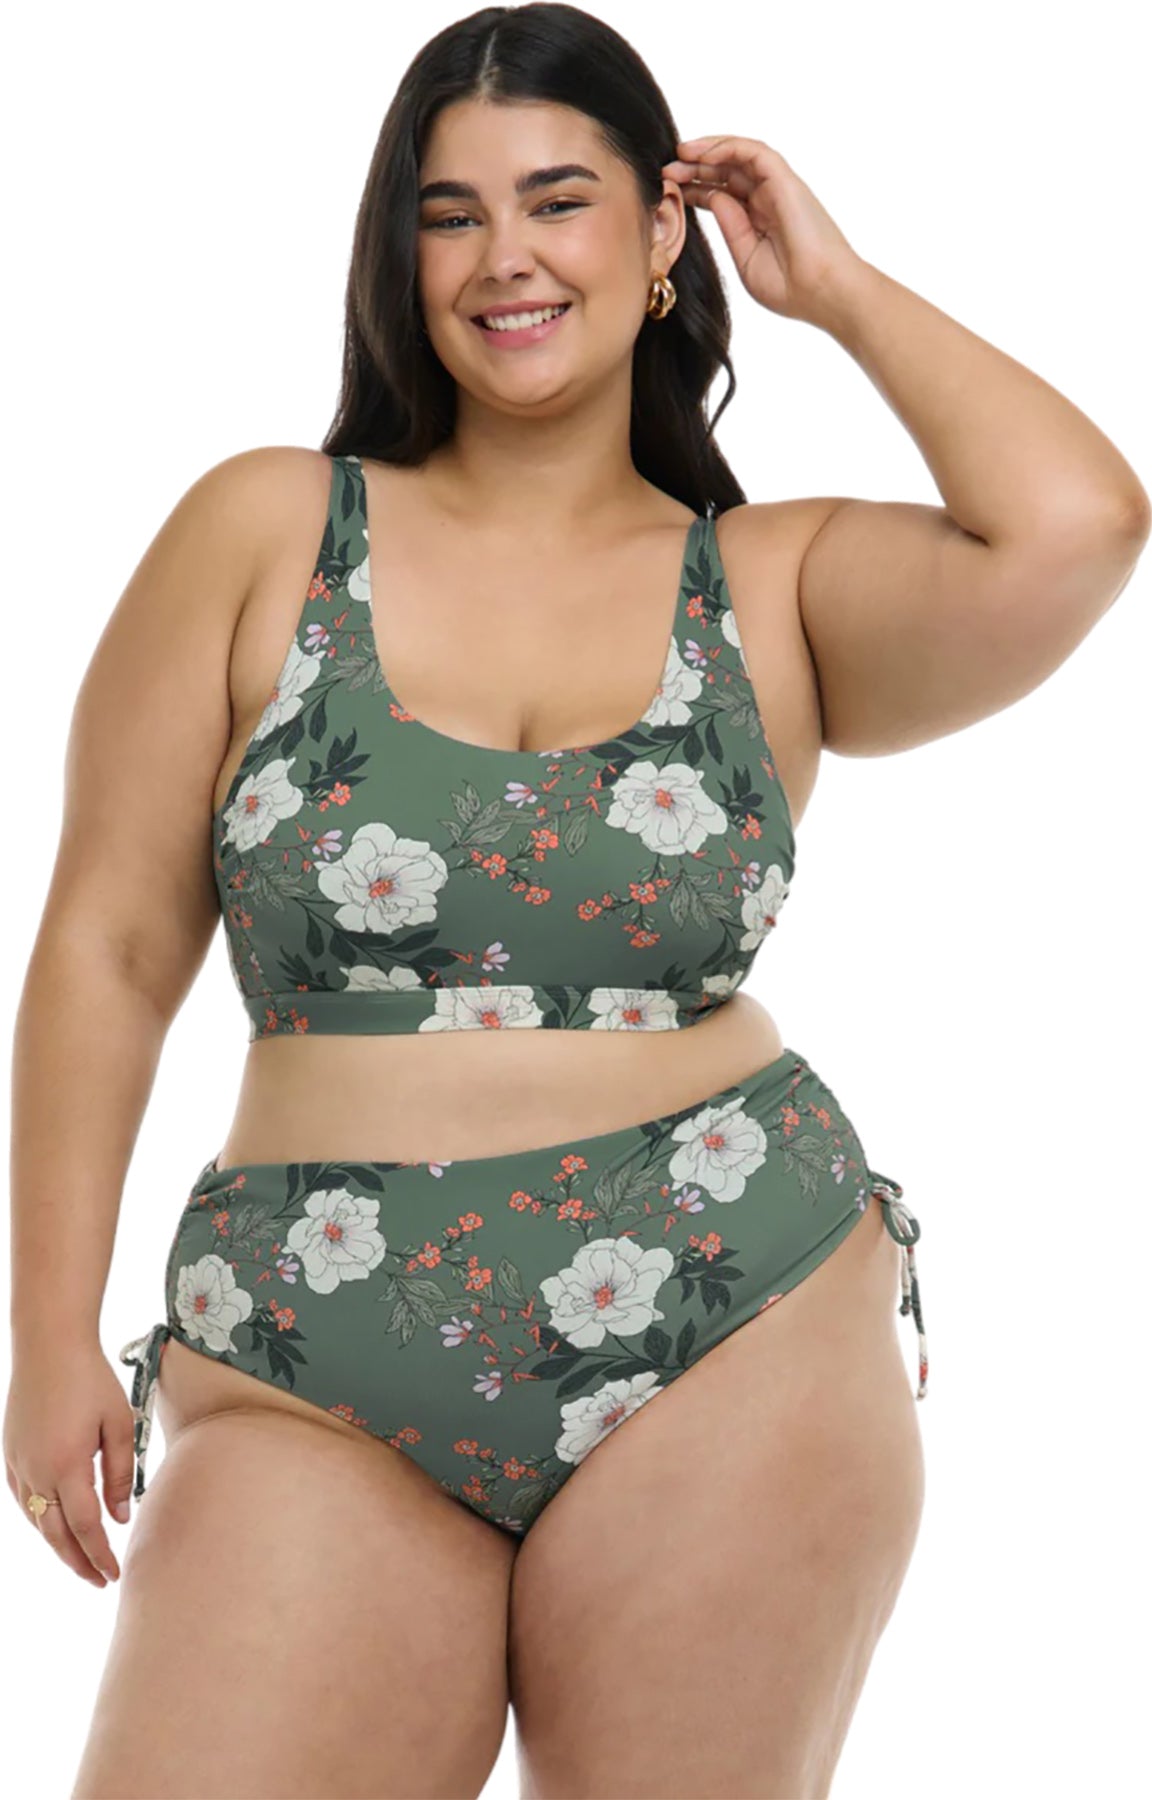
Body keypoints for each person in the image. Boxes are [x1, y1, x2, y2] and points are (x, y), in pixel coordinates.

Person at [8, 6, 1148, 1798]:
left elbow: (1079, 524)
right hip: (312, 1340)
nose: (507, 258)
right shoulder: (267, 529)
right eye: (450, 213)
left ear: (662, 229)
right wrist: (44, 1332)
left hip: (730, 1304)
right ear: (401, 256)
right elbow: (110, 945)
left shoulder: (768, 583)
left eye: (559, 199)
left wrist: (839, 291)